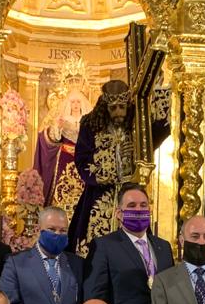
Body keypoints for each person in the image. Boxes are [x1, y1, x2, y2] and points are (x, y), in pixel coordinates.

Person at [69, 80, 169, 255]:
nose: (118, 112)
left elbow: (160, 131)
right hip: (99, 194)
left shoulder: (138, 123)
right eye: (113, 108)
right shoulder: (90, 124)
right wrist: (111, 158)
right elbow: (81, 159)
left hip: (131, 191)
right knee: (93, 246)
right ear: (105, 106)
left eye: (122, 107)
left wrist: (158, 92)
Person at [83, 183, 174, 304]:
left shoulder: (163, 247)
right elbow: (95, 295)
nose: (138, 210)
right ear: (119, 213)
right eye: (132, 206)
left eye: (143, 205)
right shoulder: (104, 246)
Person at [0, 206, 82, 304]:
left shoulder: (77, 264)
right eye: (52, 229)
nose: (57, 234)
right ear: (38, 229)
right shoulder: (16, 263)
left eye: (63, 231)